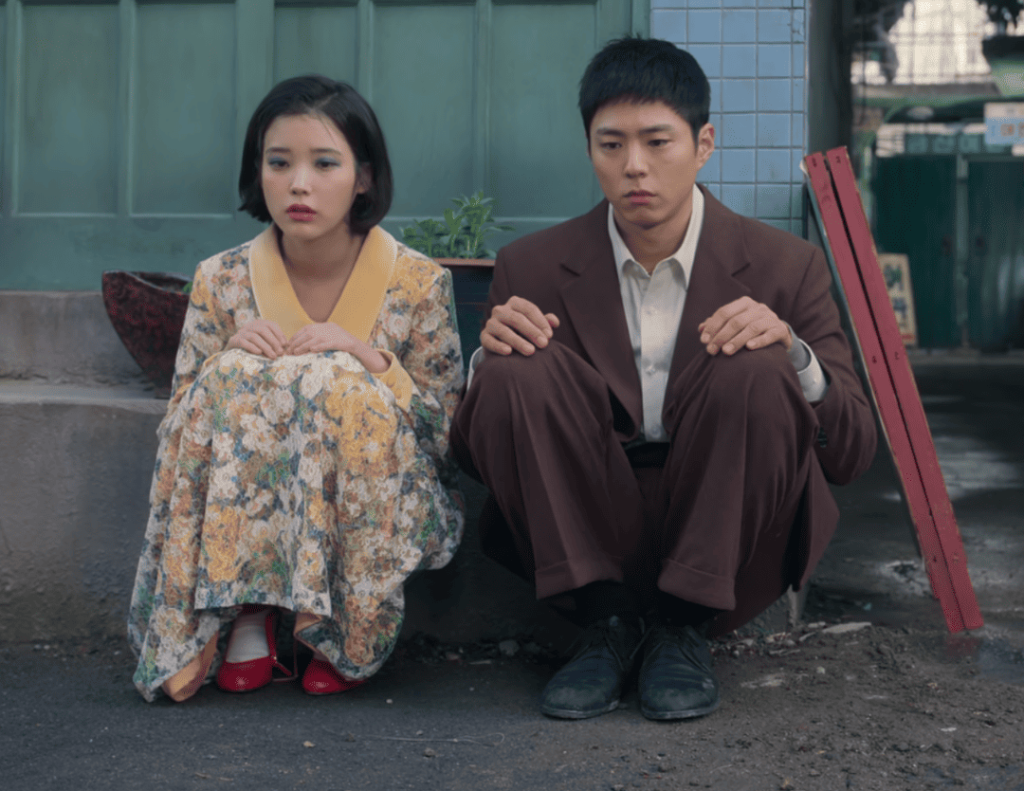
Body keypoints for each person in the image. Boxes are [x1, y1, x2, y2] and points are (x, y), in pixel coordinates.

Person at [451, 37, 877, 722]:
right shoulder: (532, 266)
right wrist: (487, 366)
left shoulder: (784, 266)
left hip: (727, 529)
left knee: (758, 362)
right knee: (513, 364)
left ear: (704, 144)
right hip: (588, 524)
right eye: (611, 145)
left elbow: (852, 453)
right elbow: (474, 457)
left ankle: (683, 628)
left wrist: (797, 358)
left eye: (657, 142)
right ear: (588, 148)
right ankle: (605, 624)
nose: (634, 167)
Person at [128, 76, 464, 703]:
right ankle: (248, 606)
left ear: (364, 177)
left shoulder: (418, 283)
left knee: (341, 380)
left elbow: (444, 439)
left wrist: (370, 360)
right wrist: (226, 360)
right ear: (257, 172)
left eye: (325, 164)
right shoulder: (220, 280)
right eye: (279, 163)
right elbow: (178, 431)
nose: (298, 184)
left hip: (386, 502)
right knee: (229, 373)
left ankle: (342, 619)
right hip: (250, 516)